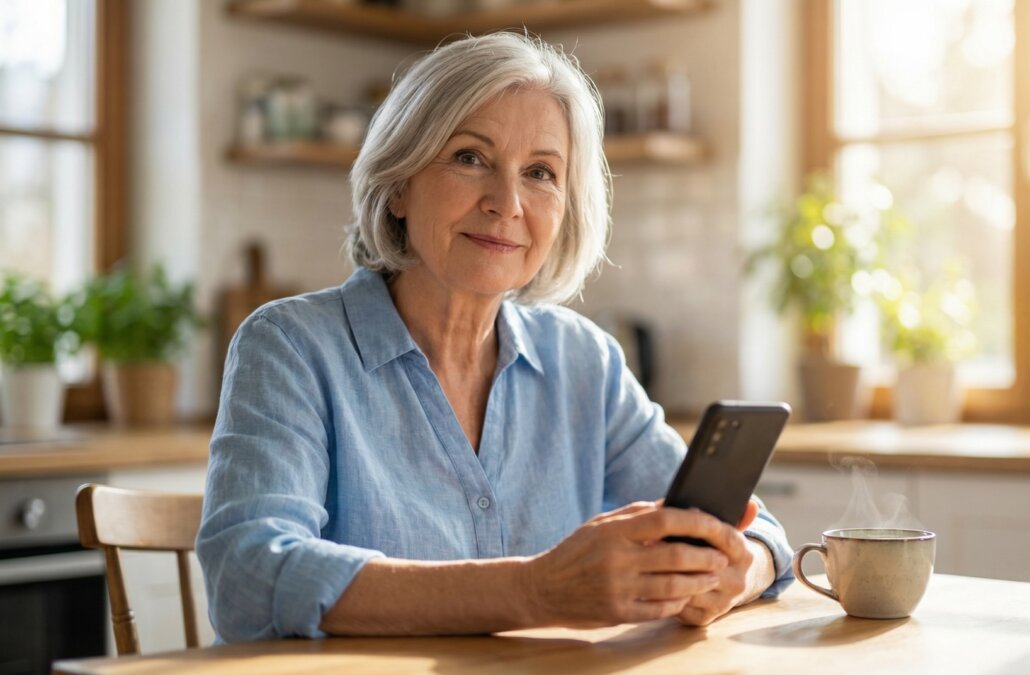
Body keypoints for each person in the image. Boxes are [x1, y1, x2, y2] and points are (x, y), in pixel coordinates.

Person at [197, 32, 794, 642]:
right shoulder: (290, 346)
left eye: (540, 172)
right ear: (399, 183)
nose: (506, 203)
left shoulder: (583, 360)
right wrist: (536, 590)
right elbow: (248, 578)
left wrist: (736, 574)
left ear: (565, 208)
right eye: (469, 158)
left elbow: (757, 532)